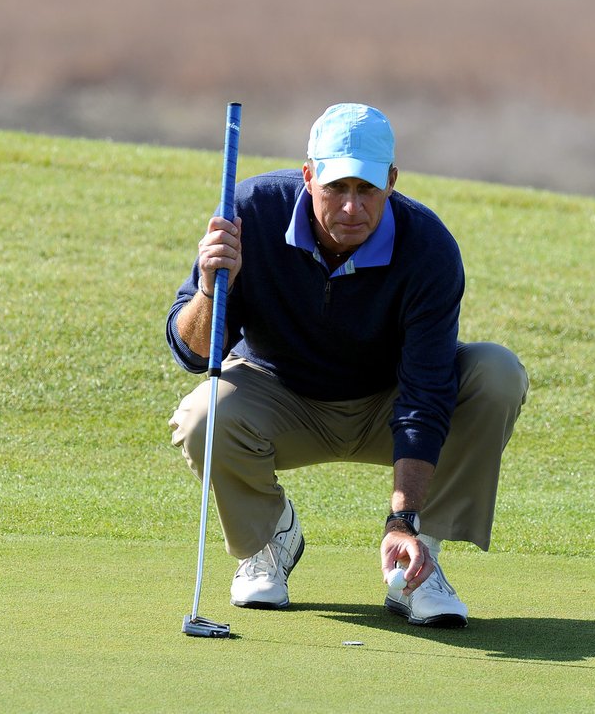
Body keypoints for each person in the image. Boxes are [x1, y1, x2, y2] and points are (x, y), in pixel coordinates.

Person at [166, 103, 528, 628]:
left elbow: (426, 396)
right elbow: (193, 352)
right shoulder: (251, 212)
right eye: (337, 188)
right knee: (204, 414)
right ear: (309, 176)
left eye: (367, 190)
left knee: (497, 373)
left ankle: (416, 563)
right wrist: (209, 286)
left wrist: (402, 518)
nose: (352, 207)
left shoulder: (428, 247)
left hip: (388, 402)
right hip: (279, 395)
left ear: (392, 182)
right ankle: (269, 539)